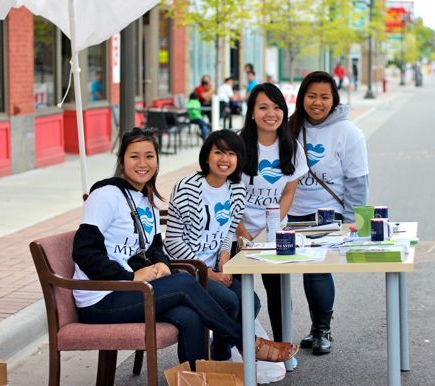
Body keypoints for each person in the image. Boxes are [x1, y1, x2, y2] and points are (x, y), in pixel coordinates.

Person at [72, 127, 298, 369]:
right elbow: (84, 251)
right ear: (121, 160)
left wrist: (160, 263)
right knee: (186, 283)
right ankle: (246, 342)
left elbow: (156, 246)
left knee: (189, 318)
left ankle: (202, 377)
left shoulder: (145, 199)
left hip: (133, 290)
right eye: (134, 156)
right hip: (101, 299)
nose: (143, 163)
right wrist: (131, 275)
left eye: (149, 156)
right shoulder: (106, 195)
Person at [288, 71, 369, 355]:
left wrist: (355, 224)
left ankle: (322, 329)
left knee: (317, 271)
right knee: (288, 273)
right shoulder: (291, 127)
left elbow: (358, 181)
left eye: (324, 97)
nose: (317, 102)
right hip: (292, 215)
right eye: (311, 96)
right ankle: (299, 331)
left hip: (328, 215)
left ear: (334, 99)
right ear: (302, 98)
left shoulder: (348, 132)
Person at [165, 129, 262, 360]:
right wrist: (206, 272)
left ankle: (220, 351)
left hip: (217, 267)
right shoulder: (187, 188)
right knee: (229, 302)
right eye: (218, 152)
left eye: (231, 153)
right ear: (206, 156)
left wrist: (225, 256)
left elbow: (229, 230)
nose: (224, 159)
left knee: (252, 302)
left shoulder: (237, 190)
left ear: (238, 159)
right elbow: (173, 240)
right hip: (187, 271)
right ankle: (222, 356)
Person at [236, 83, 308, 344]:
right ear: (252, 112)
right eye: (263, 107)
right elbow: (225, 195)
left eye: (277, 107)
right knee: (239, 295)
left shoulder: (292, 147)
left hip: (274, 234)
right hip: (238, 232)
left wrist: (272, 226)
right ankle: (239, 350)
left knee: (278, 294)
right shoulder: (238, 145)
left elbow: (289, 192)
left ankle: (283, 347)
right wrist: (242, 233)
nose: (271, 113)